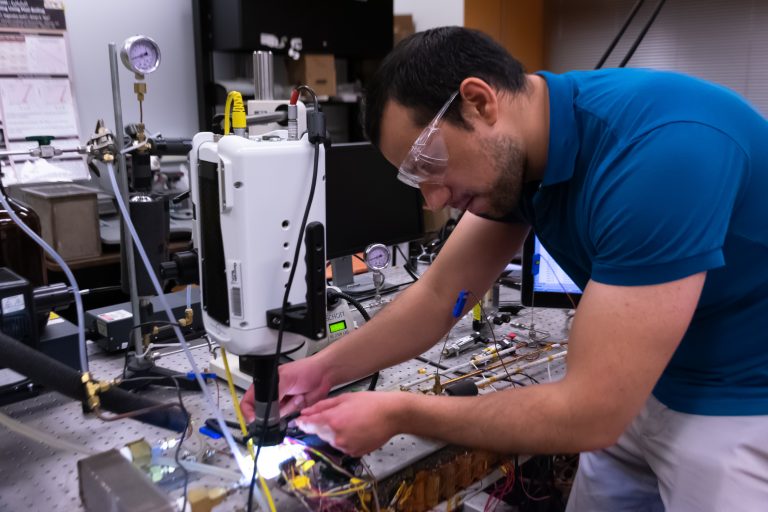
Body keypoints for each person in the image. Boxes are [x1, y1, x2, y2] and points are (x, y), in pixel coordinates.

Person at [242, 26, 768, 510]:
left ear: (479, 101)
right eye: (414, 179)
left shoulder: (659, 157)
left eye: (430, 164)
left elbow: (589, 413)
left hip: (739, 403)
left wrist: (400, 411)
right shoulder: (522, 157)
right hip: (642, 386)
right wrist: (320, 371)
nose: (435, 198)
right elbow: (440, 296)